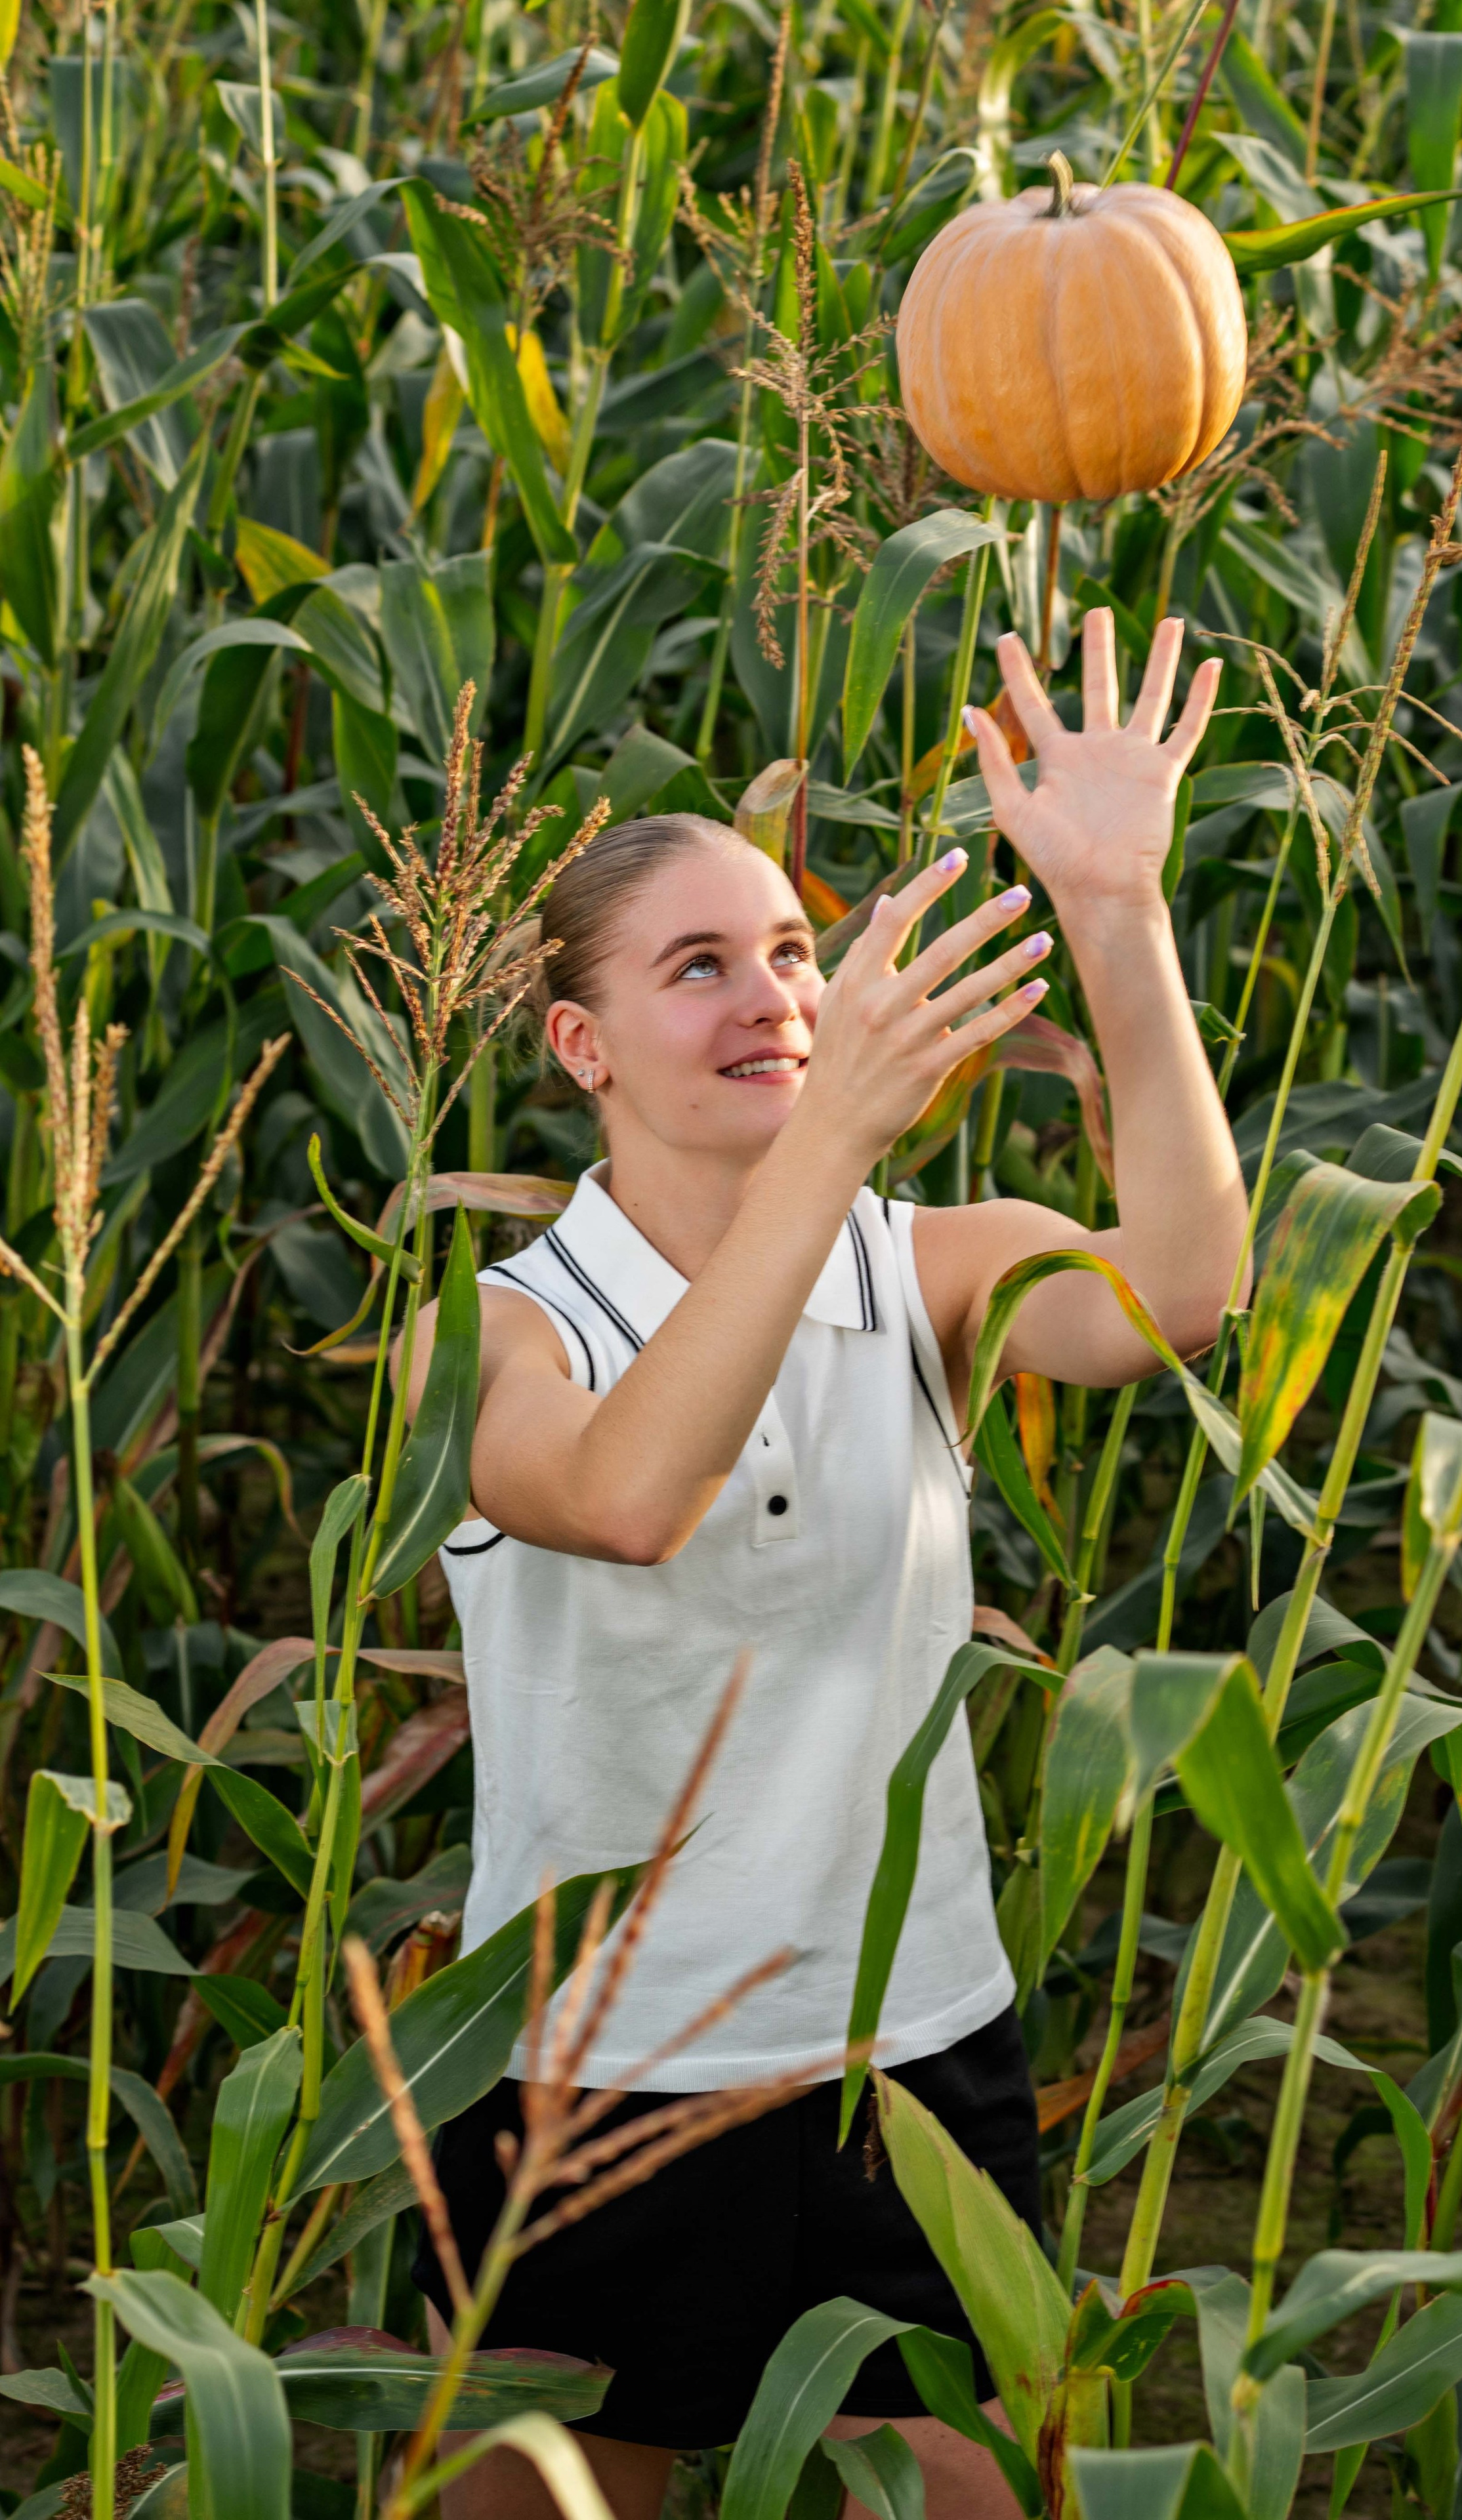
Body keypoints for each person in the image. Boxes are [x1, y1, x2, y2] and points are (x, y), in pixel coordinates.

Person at [406, 613, 1249, 2519]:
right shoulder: (504, 1328)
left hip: (910, 2050)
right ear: (579, 1041)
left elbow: (1186, 1294)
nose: (774, 996)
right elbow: (628, 1497)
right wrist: (836, 1140)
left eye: (793, 951)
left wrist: (1116, 908)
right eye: (699, 965)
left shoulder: (925, 1262)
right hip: (593, 2080)